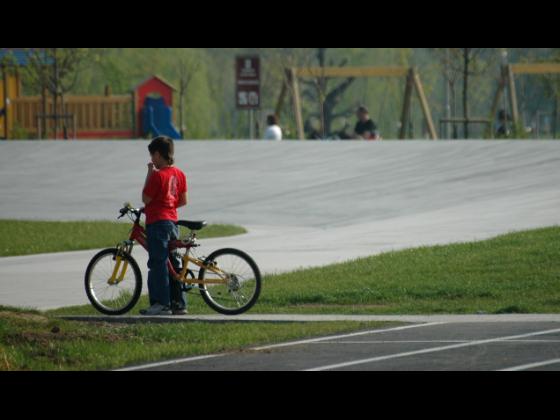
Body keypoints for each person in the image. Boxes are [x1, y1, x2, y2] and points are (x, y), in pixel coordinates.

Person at [140, 136, 188, 316]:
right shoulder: (179, 174)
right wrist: (167, 205)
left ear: (158, 155)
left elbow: (145, 198)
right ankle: (179, 304)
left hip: (157, 223)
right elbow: (183, 201)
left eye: (152, 155)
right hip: (172, 223)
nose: (152, 159)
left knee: (158, 263)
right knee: (172, 263)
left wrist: (149, 173)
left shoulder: (158, 175)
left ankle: (161, 303)